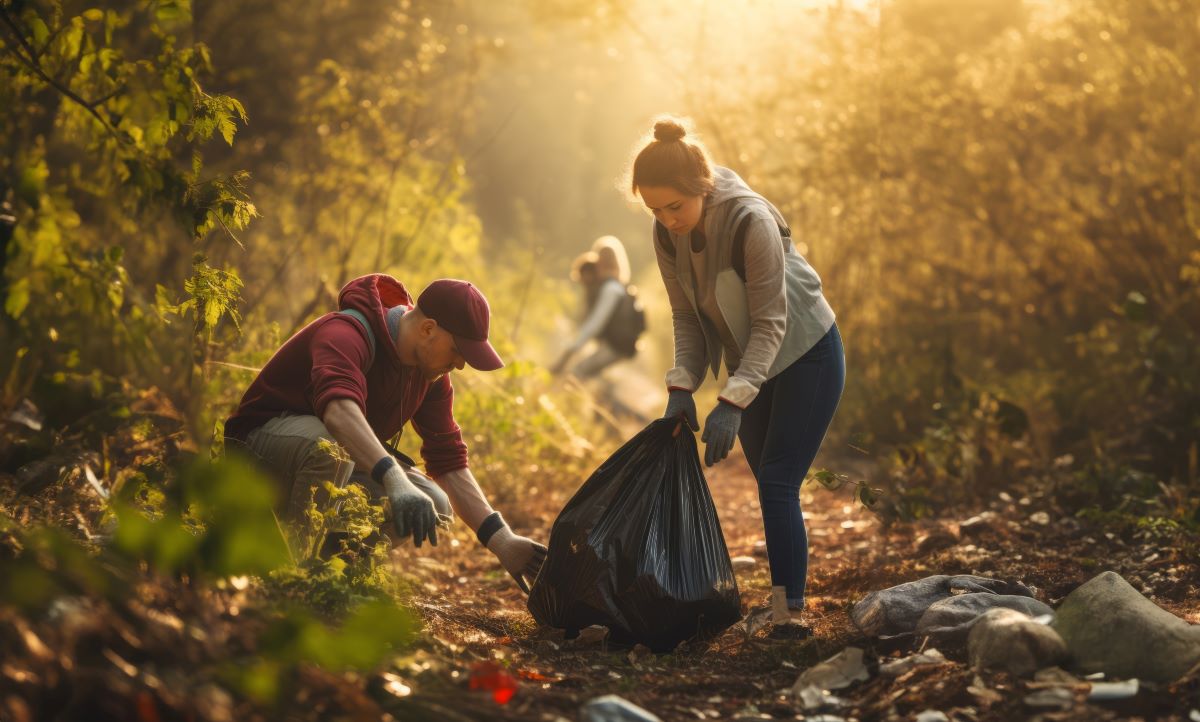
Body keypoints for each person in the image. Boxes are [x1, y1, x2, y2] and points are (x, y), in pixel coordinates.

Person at [628, 117, 845, 631]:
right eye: (654, 209)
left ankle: (789, 615)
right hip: (750, 365)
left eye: (675, 206)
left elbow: (772, 323)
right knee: (769, 483)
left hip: (806, 353)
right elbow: (687, 318)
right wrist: (682, 384)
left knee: (777, 481)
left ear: (700, 186)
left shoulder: (750, 222)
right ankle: (779, 604)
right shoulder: (666, 232)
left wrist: (731, 401)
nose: (667, 218)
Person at [224, 274, 546, 593]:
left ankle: (332, 576)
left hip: (330, 463)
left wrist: (502, 540)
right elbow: (338, 411)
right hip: (257, 448)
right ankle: (291, 580)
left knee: (435, 502)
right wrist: (394, 477)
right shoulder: (347, 332)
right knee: (332, 450)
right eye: (458, 351)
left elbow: (448, 461)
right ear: (427, 329)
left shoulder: (428, 377)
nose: (460, 364)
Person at [550, 236, 644, 379]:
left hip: (615, 346)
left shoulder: (610, 289)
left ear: (601, 262)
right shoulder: (617, 287)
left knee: (577, 373)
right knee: (585, 373)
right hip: (619, 345)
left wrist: (568, 352)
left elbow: (595, 324)